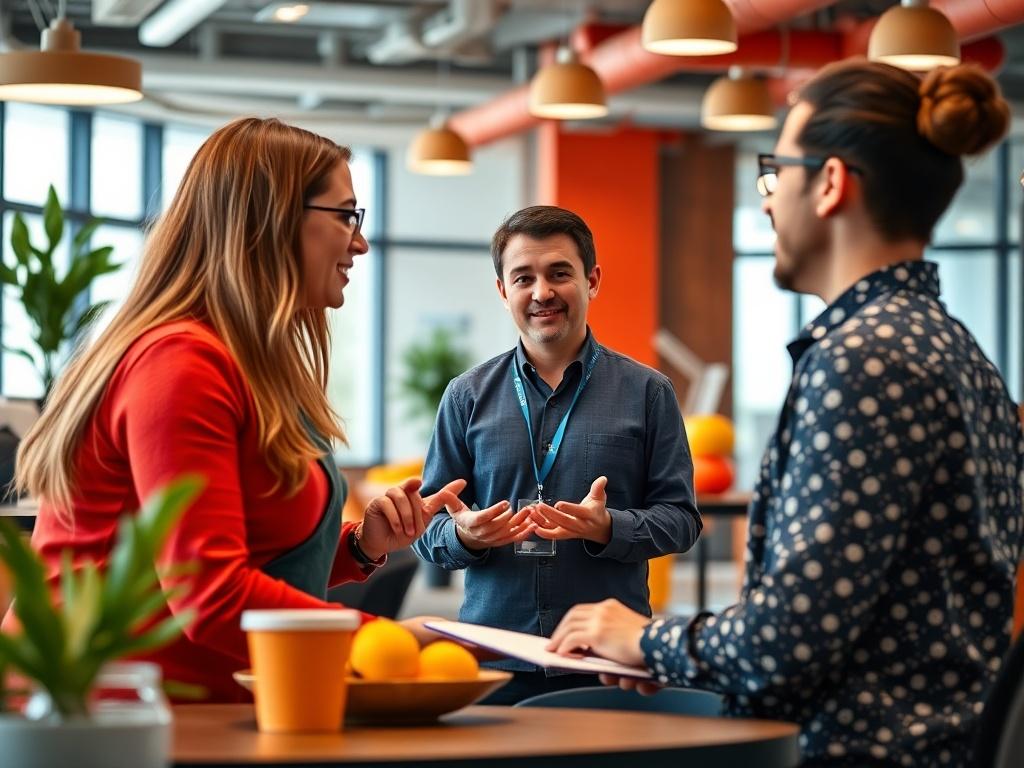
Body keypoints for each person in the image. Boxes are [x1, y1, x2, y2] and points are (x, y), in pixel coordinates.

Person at [548, 60, 1024, 766]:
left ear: (830, 183)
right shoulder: (962, 354)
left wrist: (643, 638)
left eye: (777, 173)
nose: (767, 202)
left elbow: (788, 641)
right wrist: (677, 658)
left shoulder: (863, 359)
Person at [5, 118, 462, 702]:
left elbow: (233, 561)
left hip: (187, 709)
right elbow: (210, 597)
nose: (359, 241)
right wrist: (386, 640)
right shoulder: (180, 366)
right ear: (272, 221)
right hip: (101, 719)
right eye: (345, 215)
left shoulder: (238, 363)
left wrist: (357, 547)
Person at [413, 205, 701, 704]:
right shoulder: (466, 396)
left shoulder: (648, 392)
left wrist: (608, 527)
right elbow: (425, 529)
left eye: (559, 273)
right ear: (504, 292)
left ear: (591, 281)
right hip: (490, 660)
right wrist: (464, 534)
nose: (542, 292)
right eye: (523, 277)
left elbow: (681, 520)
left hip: (605, 664)